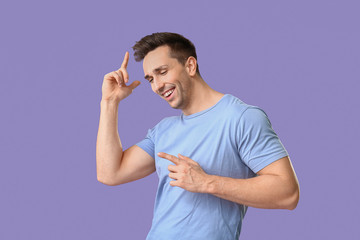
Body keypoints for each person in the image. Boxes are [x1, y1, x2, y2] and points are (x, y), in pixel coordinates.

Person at [96, 32, 300, 240]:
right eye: (150, 79)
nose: (157, 86)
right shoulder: (163, 130)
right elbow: (109, 173)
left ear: (190, 66)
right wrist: (109, 103)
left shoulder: (241, 117)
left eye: (162, 72)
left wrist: (206, 182)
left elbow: (288, 193)